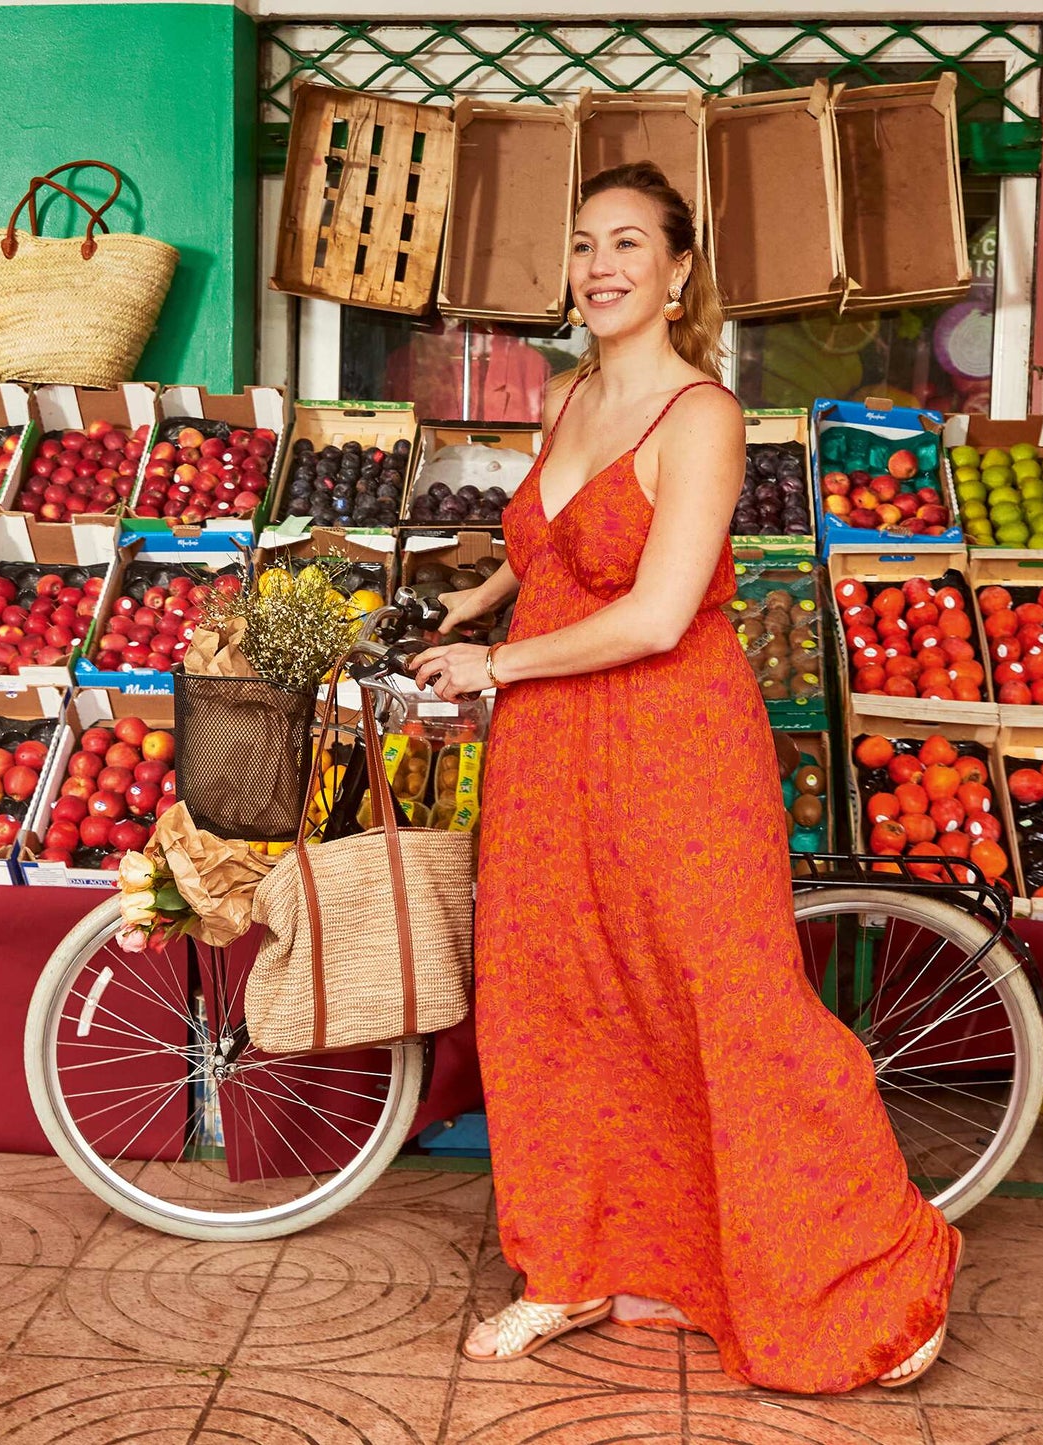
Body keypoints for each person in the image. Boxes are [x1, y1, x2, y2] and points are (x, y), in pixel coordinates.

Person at [410, 161, 962, 1394]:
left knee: (734, 1008)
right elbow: (553, 534)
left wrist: (494, 660)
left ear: (677, 269)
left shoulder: (703, 415)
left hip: (669, 745)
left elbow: (659, 612)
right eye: (582, 244)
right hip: (551, 752)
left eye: (626, 244)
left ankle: (871, 1265)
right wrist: (479, 594)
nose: (599, 266)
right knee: (553, 1006)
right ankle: (570, 1264)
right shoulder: (567, 392)